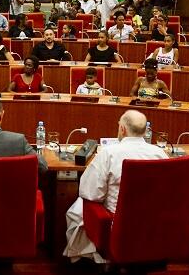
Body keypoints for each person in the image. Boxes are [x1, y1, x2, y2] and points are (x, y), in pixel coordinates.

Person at [63, 109, 166, 263]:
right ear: (145, 131)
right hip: (153, 224)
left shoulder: (109, 153)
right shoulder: (160, 154)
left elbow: (90, 193)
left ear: (122, 129)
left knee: (76, 210)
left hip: (115, 224)